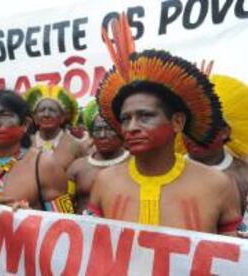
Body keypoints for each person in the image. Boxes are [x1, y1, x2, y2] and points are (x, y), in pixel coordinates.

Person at [87, 14, 241, 235]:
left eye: (145, 116)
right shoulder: (105, 181)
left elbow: (235, 259)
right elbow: (84, 244)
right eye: (125, 119)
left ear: (177, 122)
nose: (131, 127)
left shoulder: (218, 185)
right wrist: (22, 216)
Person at [0, 90, 74, 212]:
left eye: (5, 115)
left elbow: (65, 222)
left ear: (25, 124)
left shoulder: (45, 166)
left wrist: (28, 216)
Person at [182, 74, 248, 235]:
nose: (193, 135)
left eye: (204, 127)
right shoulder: (166, 170)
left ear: (225, 132)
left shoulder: (244, 174)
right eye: (188, 127)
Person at [67, 100, 129, 214]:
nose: (102, 135)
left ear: (120, 131)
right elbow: (65, 204)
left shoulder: (134, 164)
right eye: (97, 129)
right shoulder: (77, 167)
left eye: (109, 129)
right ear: (91, 133)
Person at [24, 84, 86, 170]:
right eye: (42, 110)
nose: (46, 114)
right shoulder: (25, 145)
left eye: (52, 110)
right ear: (35, 118)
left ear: (62, 118)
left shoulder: (76, 146)